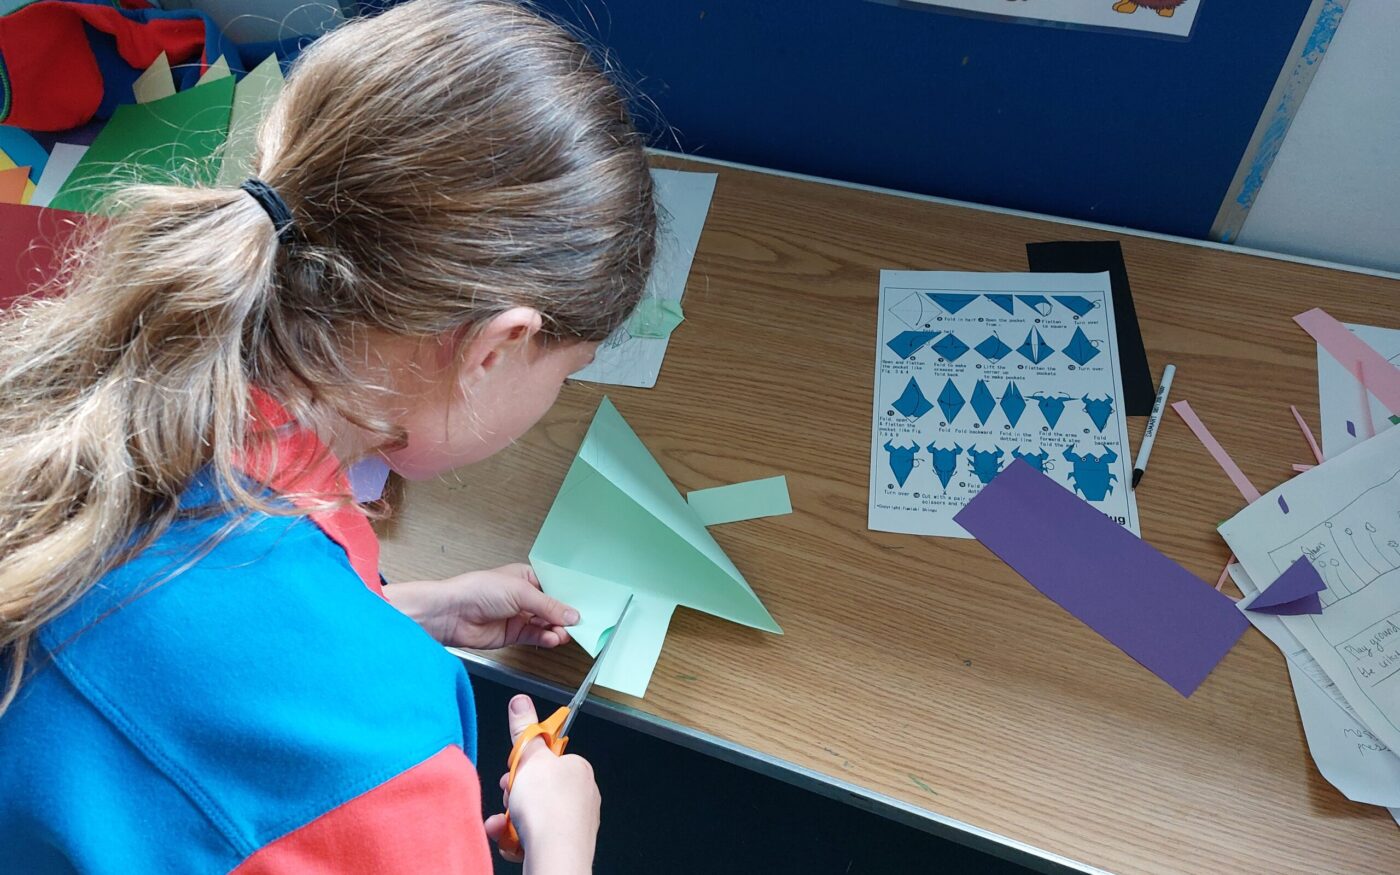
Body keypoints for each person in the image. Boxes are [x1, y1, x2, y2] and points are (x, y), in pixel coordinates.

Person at [0, 0, 656, 871]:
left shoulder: (105, 382)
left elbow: (163, 643)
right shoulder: (385, 756)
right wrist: (561, 848)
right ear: (497, 348)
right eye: (563, 373)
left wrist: (394, 612)